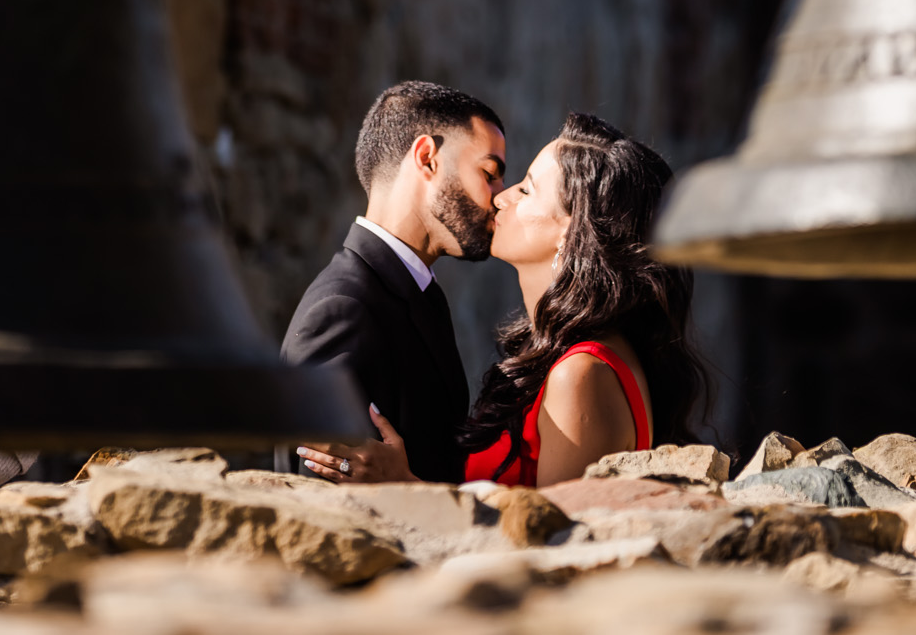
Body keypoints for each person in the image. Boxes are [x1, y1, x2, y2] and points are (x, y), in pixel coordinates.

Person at [299, 111, 705, 490]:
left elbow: (554, 545)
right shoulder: (575, 358)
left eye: (526, 189)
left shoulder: (582, 374)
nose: (501, 198)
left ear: (571, 231)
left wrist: (404, 487)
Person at [283, 81, 507, 484]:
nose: (500, 196)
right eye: (489, 173)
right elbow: (313, 490)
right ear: (427, 158)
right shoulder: (343, 309)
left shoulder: (419, 293)